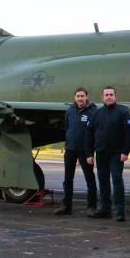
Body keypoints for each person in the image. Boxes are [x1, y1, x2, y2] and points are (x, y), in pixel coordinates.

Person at [86, 86, 130, 222]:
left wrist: (126, 151)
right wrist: (89, 154)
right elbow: (89, 134)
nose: (109, 96)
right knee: (103, 181)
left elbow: (129, 133)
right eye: (106, 95)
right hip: (101, 153)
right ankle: (105, 209)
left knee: (117, 180)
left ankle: (120, 211)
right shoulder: (97, 113)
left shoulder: (123, 112)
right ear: (102, 97)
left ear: (115, 96)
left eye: (111, 94)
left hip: (117, 154)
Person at [55, 87, 98, 216]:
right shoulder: (70, 111)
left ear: (86, 97)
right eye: (78, 96)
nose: (80, 98)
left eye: (82, 96)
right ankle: (66, 206)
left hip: (85, 151)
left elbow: (95, 131)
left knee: (89, 179)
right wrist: (67, 145)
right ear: (74, 97)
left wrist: (91, 151)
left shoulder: (94, 111)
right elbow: (68, 129)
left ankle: (92, 207)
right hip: (70, 150)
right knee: (67, 179)